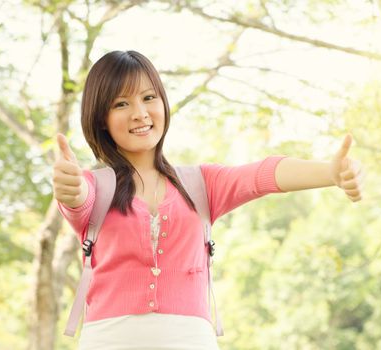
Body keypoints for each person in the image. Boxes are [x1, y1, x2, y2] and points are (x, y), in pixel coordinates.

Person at [52, 50, 364, 349]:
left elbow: (260, 176)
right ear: (101, 118)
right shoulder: (95, 188)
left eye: (149, 98)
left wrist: (329, 172)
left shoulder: (200, 184)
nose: (140, 113)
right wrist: (71, 187)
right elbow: (77, 198)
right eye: (121, 103)